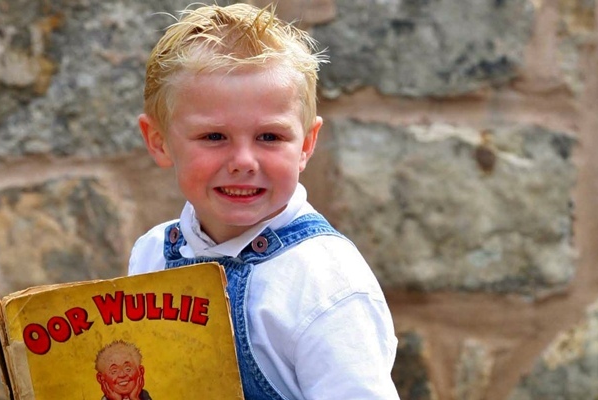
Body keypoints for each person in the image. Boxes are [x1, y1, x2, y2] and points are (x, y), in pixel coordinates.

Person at [129, 3, 399, 399]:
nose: (243, 162)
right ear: (158, 141)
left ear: (306, 144)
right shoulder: (151, 255)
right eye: (214, 137)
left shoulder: (325, 285)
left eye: (269, 137)